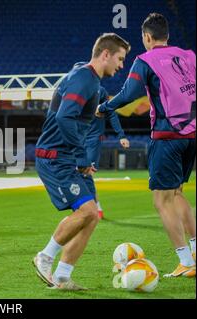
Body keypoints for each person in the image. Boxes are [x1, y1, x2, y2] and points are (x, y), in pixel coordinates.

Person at [96, 13, 196, 278]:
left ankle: (186, 260)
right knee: (177, 194)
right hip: (192, 136)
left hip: (166, 137)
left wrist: (105, 107)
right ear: (168, 35)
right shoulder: (189, 55)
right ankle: (196, 251)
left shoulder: (145, 60)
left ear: (147, 37)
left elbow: (129, 94)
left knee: (161, 201)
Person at [33, 33, 130, 290]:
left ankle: (63, 277)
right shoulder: (84, 79)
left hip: (68, 157)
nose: (121, 65)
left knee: (92, 216)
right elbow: (65, 118)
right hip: (55, 157)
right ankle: (44, 257)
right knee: (86, 211)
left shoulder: (87, 78)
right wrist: (80, 157)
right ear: (105, 54)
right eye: (120, 59)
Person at [84, 83, 130, 219]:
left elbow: (110, 112)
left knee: (88, 173)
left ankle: (95, 207)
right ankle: (86, 206)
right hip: (76, 138)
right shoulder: (74, 90)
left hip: (92, 138)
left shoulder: (100, 90)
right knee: (77, 174)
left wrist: (121, 135)